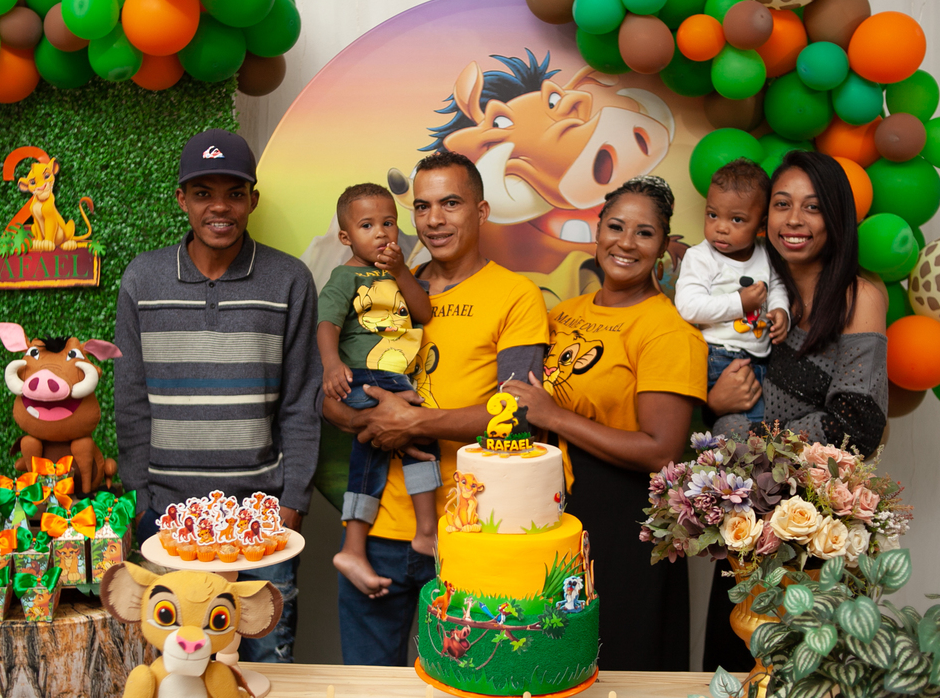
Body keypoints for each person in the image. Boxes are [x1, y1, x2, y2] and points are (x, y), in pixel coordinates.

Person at [323, 151, 549, 666]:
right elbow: (329, 397)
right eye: (422, 207)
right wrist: (369, 420)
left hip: (468, 531)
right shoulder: (384, 283)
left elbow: (520, 414)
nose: (434, 220)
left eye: (451, 203)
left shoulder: (515, 295)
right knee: (367, 688)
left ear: (481, 211)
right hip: (377, 528)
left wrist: (415, 422)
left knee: (465, 682)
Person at [114, 128, 322, 663]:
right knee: (175, 672)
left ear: (253, 199)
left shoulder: (289, 280)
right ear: (182, 200)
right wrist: (140, 499)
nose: (220, 207)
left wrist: (292, 503)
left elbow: (302, 400)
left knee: (265, 673)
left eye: (234, 192)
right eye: (203, 193)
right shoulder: (143, 278)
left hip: (262, 523)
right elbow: (131, 399)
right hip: (168, 521)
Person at [504, 175, 708, 671]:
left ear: (663, 246)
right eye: (616, 227)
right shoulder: (563, 314)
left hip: (625, 518)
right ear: (597, 232)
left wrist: (554, 415)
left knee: (616, 659)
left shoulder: (668, 333)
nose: (626, 243)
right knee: (550, 660)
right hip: (557, 508)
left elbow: (661, 450)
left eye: (644, 233)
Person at [702, 150, 888, 672]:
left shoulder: (858, 296)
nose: (794, 220)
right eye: (782, 204)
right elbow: (711, 406)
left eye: (812, 206)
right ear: (765, 217)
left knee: (811, 675)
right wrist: (713, 403)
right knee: (736, 671)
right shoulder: (745, 296)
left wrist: (746, 438)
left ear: (836, 217)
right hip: (747, 529)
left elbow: (856, 424)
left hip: (819, 532)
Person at [317, 183, 440, 599]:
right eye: (367, 226)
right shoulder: (345, 277)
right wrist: (331, 365)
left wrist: (402, 272)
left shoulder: (397, 274)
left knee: (378, 451)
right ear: (346, 237)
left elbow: (423, 313)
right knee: (415, 433)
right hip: (367, 375)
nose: (382, 233)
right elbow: (327, 323)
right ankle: (422, 532)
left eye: (388, 223)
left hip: (394, 378)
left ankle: (359, 546)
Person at [675, 159, 790, 428]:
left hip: (760, 357)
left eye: (736, 219)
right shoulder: (701, 257)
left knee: (768, 420)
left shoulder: (766, 253)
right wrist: (740, 302)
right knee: (749, 426)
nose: (721, 227)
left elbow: (777, 285)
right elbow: (688, 306)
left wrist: (780, 310)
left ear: (761, 225)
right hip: (718, 356)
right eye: (712, 215)